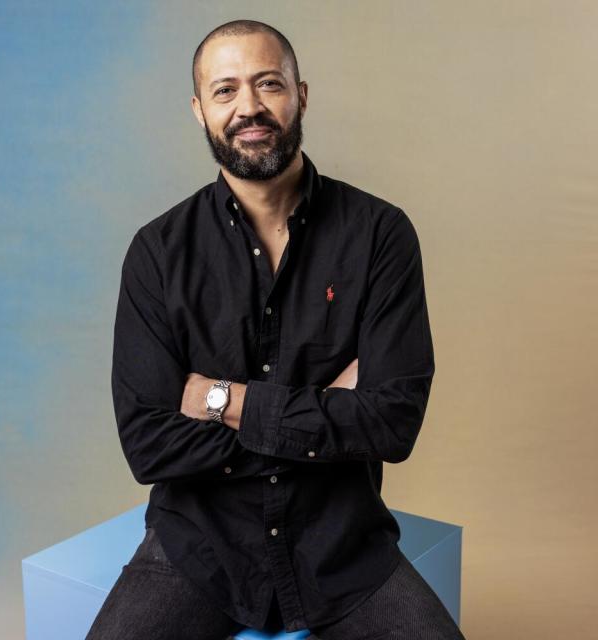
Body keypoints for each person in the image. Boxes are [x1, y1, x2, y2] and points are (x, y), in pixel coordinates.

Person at [86, 19, 465, 640]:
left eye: (269, 84)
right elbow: (148, 444)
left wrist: (219, 400)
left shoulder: (380, 235)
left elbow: (392, 423)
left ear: (301, 94)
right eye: (226, 90)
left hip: (344, 549)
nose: (250, 107)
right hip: (198, 551)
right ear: (199, 110)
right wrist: (325, 413)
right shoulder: (156, 252)